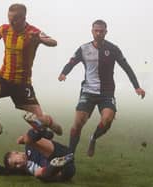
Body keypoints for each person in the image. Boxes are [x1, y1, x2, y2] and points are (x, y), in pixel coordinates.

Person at [0, 3, 61, 135]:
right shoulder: (5, 29)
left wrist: (42, 40)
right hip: (4, 79)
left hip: (22, 85)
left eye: (14, 19)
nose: (11, 22)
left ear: (23, 18)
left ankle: (50, 122)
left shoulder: (33, 32)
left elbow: (53, 42)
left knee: (41, 119)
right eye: (9, 18)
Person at [58, 19, 146, 157]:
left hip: (106, 92)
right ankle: (70, 155)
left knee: (107, 120)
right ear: (92, 31)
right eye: (96, 30)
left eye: (101, 31)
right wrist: (64, 73)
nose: (98, 33)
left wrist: (137, 87)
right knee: (78, 122)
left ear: (106, 32)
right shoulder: (84, 48)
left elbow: (126, 67)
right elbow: (72, 62)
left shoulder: (113, 49)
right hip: (88, 91)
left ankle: (93, 138)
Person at [0, 114, 75, 182]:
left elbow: (47, 137)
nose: (18, 165)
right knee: (38, 173)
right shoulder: (25, 170)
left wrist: (24, 140)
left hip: (59, 152)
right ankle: (55, 165)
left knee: (27, 141)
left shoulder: (29, 147)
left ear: (15, 153)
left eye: (15, 162)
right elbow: (4, 171)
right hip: (65, 172)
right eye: (16, 166)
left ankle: (39, 128)